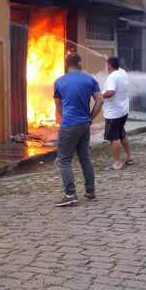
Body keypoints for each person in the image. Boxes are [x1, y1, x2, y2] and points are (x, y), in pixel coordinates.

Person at [53, 53, 103, 206]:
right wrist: (90, 118)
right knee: (84, 158)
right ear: (80, 63)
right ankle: (90, 191)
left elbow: (58, 106)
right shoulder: (90, 80)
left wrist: (66, 118)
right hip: (84, 125)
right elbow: (100, 100)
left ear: (66, 64)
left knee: (64, 160)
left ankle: (70, 194)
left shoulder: (59, 81)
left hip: (69, 125)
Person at [102, 56, 132, 170]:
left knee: (113, 137)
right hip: (123, 111)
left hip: (113, 113)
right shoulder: (122, 72)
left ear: (109, 66)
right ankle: (129, 157)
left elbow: (111, 92)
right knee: (121, 134)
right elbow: (115, 65)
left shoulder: (112, 77)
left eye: (107, 65)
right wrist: (107, 59)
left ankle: (117, 162)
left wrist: (100, 95)